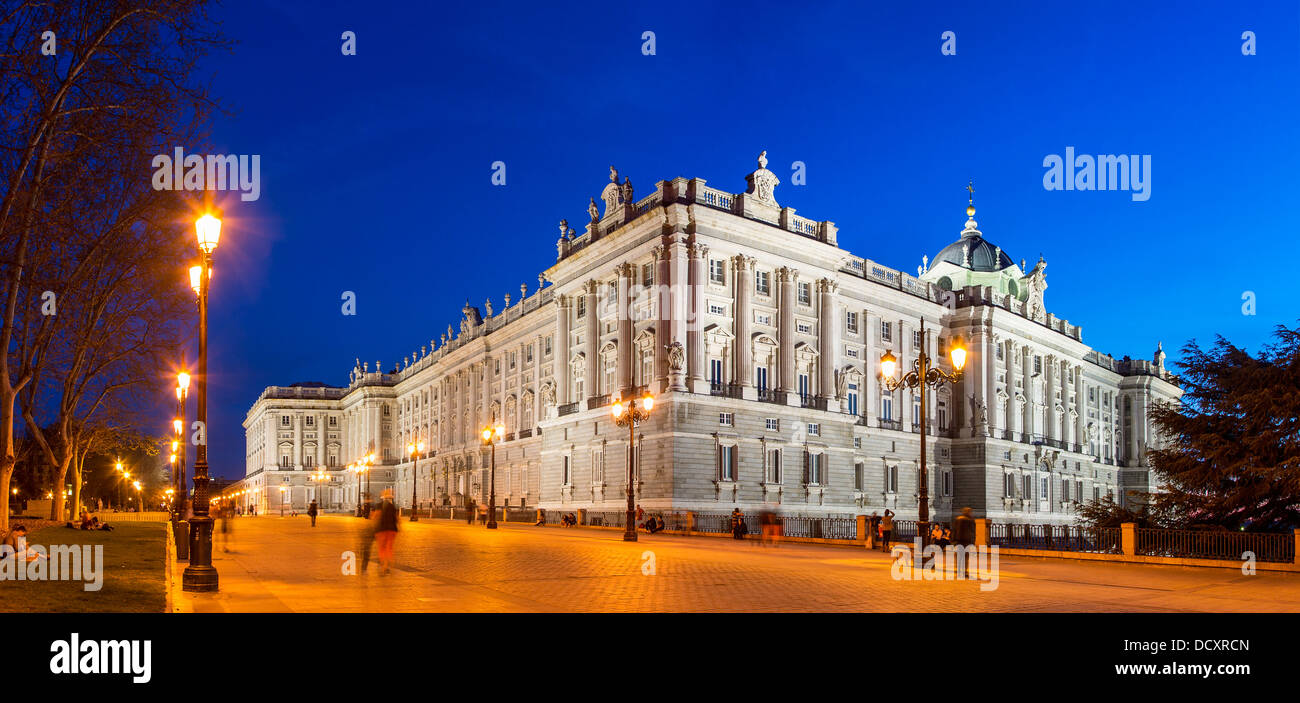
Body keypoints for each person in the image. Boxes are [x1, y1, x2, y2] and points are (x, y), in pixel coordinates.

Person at [373, 489, 399, 576]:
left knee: (382, 548)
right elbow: (397, 519)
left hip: (382, 529)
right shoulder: (392, 506)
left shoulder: (379, 505)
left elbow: (376, 517)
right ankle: (388, 564)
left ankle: (384, 565)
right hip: (392, 530)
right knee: (389, 548)